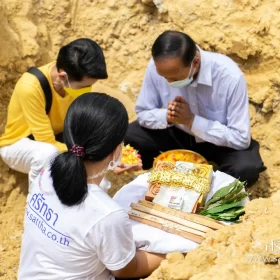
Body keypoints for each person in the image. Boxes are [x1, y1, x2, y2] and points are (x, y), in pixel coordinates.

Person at [18, 93, 164, 280]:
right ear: (117, 150)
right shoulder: (106, 214)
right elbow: (128, 270)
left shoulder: (47, 170)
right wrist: (176, 255)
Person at [125, 30, 266, 187]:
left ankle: (213, 191)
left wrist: (192, 120)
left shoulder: (229, 77)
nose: (168, 82)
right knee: (128, 136)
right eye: (164, 77)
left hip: (217, 141)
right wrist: (169, 116)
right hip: (178, 131)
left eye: (174, 78)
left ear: (195, 62)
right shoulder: (158, 67)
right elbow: (143, 112)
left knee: (247, 168)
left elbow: (240, 139)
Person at [0, 38, 141, 188]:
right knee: (47, 154)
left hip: (57, 141)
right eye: (85, 86)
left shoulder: (73, 84)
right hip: (19, 145)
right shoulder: (31, 87)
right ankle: (37, 203)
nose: (88, 90)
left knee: (101, 184)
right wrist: (92, 155)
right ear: (63, 77)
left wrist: (113, 157)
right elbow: (46, 141)